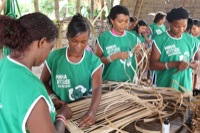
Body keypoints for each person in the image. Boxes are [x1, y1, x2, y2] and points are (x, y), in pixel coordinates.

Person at [0, 13, 72, 133]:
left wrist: (46, 106)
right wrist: (62, 116)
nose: (49, 53)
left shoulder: (3, 65)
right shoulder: (32, 88)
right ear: (42, 42)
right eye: (50, 48)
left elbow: (13, 105)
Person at [40, 13, 102, 128]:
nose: (78, 46)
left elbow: (97, 88)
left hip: (82, 109)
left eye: (83, 42)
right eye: (74, 41)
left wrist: (92, 112)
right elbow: (43, 81)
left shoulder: (93, 61)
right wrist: (53, 98)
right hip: (59, 110)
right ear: (67, 36)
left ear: (88, 39)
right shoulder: (54, 57)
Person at [150, 7, 199, 93]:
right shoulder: (160, 40)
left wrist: (195, 63)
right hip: (165, 88)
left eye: (184, 26)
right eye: (177, 26)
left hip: (185, 88)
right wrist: (174, 64)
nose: (181, 29)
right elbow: (152, 65)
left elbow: (196, 59)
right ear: (169, 23)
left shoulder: (191, 41)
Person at [95, 5, 141, 82]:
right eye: (120, 21)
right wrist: (114, 57)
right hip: (109, 83)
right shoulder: (103, 38)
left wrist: (137, 53)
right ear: (112, 20)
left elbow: (139, 63)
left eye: (126, 21)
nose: (124, 24)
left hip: (129, 83)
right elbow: (95, 62)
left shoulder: (133, 38)